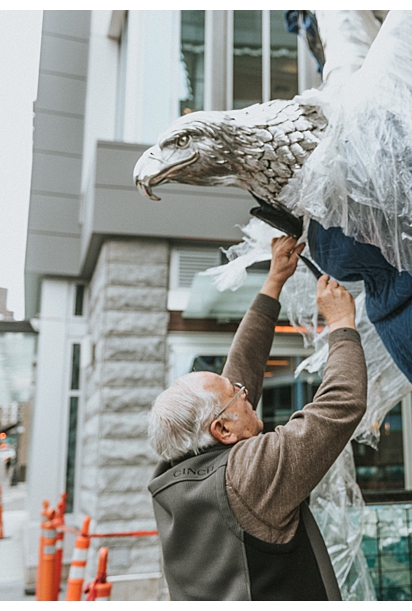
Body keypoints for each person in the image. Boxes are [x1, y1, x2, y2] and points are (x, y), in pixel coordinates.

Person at [147, 236, 366, 601]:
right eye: (237, 395)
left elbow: (240, 372)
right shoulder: (249, 478)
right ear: (222, 430)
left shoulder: (173, 476)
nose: (245, 391)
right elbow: (340, 405)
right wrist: (342, 324)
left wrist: (274, 280)